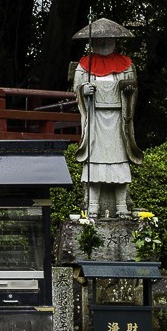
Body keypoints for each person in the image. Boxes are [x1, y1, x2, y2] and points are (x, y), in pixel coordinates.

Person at [71, 18, 142, 217]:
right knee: (95, 161)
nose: (104, 43)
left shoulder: (126, 64)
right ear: (93, 42)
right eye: (99, 40)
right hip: (95, 119)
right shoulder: (84, 65)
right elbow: (77, 89)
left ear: (115, 41)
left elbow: (133, 88)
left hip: (118, 119)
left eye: (108, 40)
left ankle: (121, 204)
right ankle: (93, 204)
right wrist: (84, 90)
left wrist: (128, 91)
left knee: (119, 160)